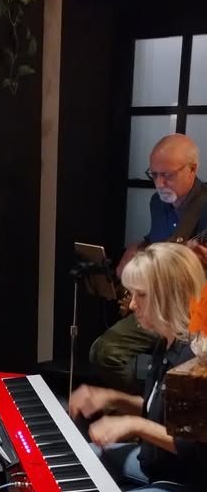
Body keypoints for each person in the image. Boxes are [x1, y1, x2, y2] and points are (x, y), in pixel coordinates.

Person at [69, 241, 207, 492]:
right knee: (84, 464)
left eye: (140, 295)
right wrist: (113, 398)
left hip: (194, 485)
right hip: (161, 464)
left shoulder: (199, 358)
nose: (131, 306)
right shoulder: (170, 341)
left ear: (167, 295)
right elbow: (159, 406)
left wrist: (135, 424)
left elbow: (195, 449)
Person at [89, 134, 207, 393]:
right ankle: (145, 406)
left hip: (193, 310)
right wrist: (137, 248)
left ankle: (156, 410)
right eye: (154, 175)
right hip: (157, 302)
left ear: (192, 169)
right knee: (104, 352)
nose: (159, 183)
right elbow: (156, 240)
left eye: (168, 175)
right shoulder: (158, 202)